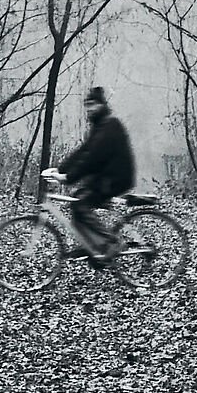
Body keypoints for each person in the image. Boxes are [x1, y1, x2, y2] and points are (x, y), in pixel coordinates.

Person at [57, 86, 136, 262]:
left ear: (101, 105)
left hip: (115, 179)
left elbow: (92, 158)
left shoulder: (110, 125)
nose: (90, 109)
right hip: (105, 177)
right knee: (77, 202)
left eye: (93, 105)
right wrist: (60, 169)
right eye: (87, 105)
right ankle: (91, 245)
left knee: (81, 204)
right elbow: (84, 150)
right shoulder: (100, 126)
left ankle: (110, 242)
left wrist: (69, 177)